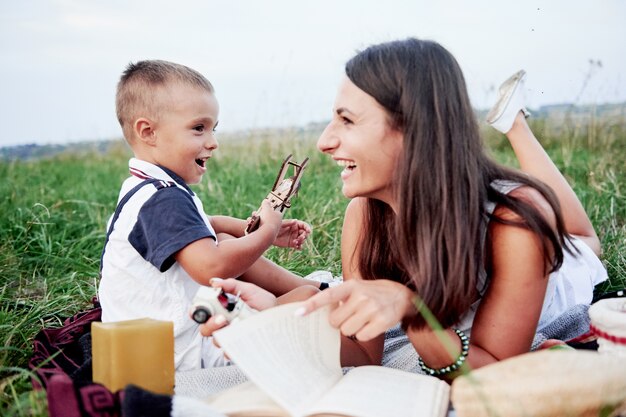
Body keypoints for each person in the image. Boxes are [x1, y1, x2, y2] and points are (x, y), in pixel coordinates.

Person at [201, 39, 607, 377]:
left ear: (413, 128)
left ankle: (515, 123)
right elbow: (363, 355)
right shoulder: (365, 214)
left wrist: (413, 312)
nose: (324, 141)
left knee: (585, 243)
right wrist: (273, 323)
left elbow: (491, 373)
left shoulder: (513, 221)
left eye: (347, 120)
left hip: (556, 273)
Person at [99, 60, 320, 371]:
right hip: (180, 354)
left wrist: (248, 229)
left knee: (228, 240)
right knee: (309, 302)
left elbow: (206, 226)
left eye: (213, 128)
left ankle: (294, 295)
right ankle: (307, 300)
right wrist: (266, 232)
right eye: (198, 128)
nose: (213, 142)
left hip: (154, 344)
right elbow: (211, 266)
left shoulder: (147, 187)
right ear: (148, 132)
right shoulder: (163, 199)